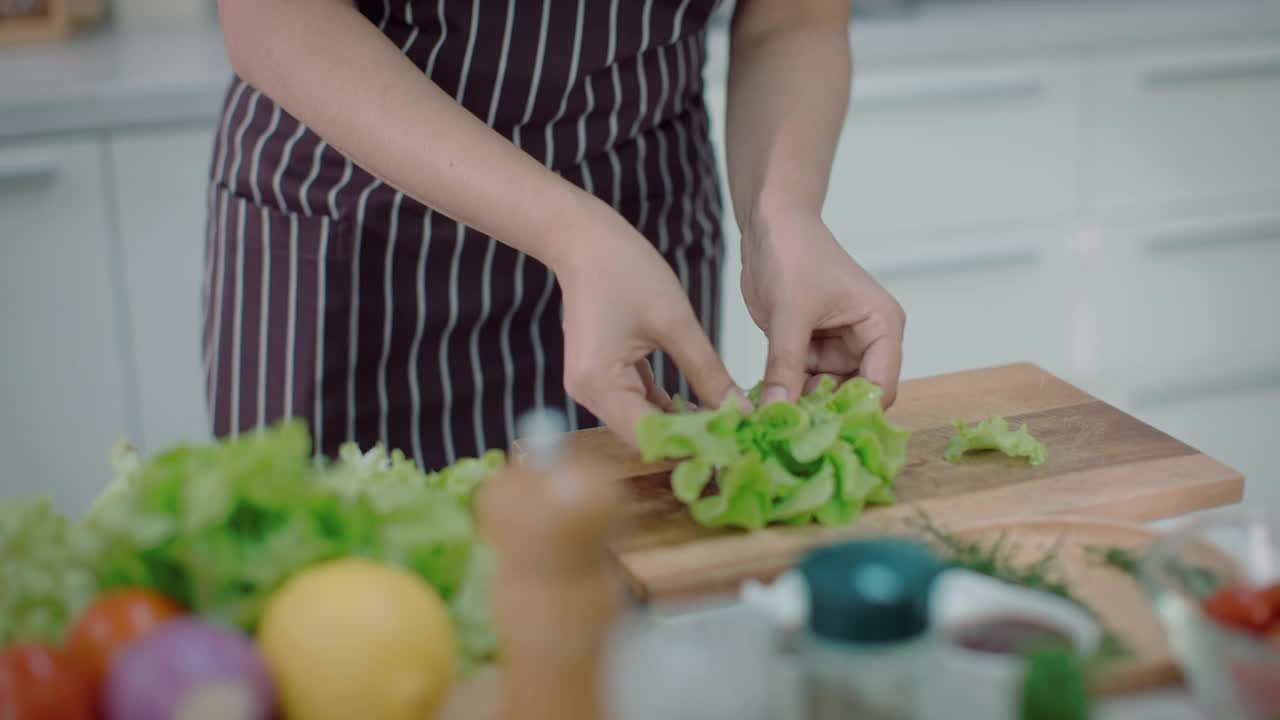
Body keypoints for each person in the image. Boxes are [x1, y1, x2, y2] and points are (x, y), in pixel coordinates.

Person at [204, 0, 905, 471]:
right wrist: (571, 233)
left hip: (640, 223)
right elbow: (279, 19)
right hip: (362, 231)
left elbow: (794, 18)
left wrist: (781, 214)